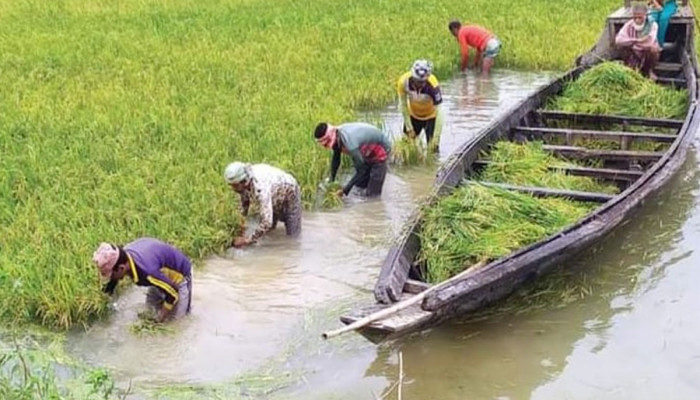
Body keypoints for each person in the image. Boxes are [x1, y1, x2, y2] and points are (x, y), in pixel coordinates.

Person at [92, 237, 193, 323]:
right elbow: (115, 277)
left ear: (121, 268)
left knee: (177, 322)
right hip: (159, 271)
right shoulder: (124, 257)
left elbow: (173, 292)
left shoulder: (146, 272)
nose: (110, 278)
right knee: (149, 311)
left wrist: (159, 319)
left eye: (110, 275)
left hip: (180, 277)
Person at [224, 162, 301, 248]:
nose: (233, 189)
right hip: (274, 191)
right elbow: (244, 203)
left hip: (290, 191)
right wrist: (241, 227)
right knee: (270, 232)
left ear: (243, 181)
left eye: (234, 186)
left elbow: (266, 222)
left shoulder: (260, 188)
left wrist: (247, 240)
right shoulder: (245, 180)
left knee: (292, 236)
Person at [313, 122, 392, 198]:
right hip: (366, 151)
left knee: (372, 195)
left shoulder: (350, 144)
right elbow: (336, 158)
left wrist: (345, 190)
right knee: (359, 187)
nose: (326, 147)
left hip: (381, 150)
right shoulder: (337, 137)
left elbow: (361, 170)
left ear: (331, 138)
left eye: (326, 144)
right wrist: (331, 180)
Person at [397, 59, 445, 150]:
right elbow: (403, 105)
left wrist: (436, 137)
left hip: (431, 117)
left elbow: (440, 111)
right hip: (413, 115)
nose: (420, 84)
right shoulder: (403, 82)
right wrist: (409, 127)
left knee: (433, 149)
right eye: (418, 81)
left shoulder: (433, 84)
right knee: (405, 147)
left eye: (423, 82)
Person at [615, 3, 661, 79]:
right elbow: (618, 40)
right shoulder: (629, 25)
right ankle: (631, 67)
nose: (637, 20)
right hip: (633, 53)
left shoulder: (653, 25)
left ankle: (649, 71)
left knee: (654, 48)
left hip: (646, 53)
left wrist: (631, 42)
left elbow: (649, 42)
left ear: (645, 16)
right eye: (635, 18)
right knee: (622, 46)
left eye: (640, 17)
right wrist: (637, 40)